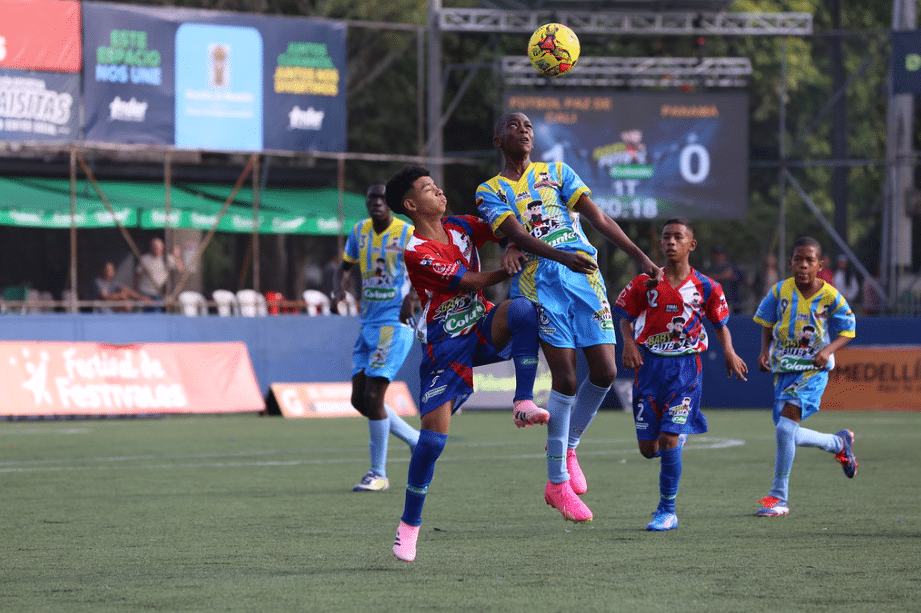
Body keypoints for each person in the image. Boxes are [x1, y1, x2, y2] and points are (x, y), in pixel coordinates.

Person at [476, 111, 663, 523]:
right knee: (565, 378)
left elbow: (599, 218)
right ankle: (556, 482)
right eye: (513, 125)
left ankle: (570, 444)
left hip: (584, 277)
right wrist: (561, 257)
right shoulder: (489, 190)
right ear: (497, 139)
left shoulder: (558, 172)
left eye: (527, 126)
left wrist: (641, 257)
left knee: (606, 370)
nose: (523, 130)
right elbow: (518, 236)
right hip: (539, 282)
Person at [385, 165, 550, 563]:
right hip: (446, 346)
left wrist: (513, 244)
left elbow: (504, 227)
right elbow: (470, 282)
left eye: (437, 185)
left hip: (480, 325)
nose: (439, 191)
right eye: (428, 189)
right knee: (432, 442)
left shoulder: (460, 225)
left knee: (524, 310)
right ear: (411, 205)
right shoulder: (415, 250)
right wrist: (505, 266)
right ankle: (408, 527)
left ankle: (523, 401)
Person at [614, 218, 748, 531]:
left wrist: (729, 351)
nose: (671, 242)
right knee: (649, 450)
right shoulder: (643, 283)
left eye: (678, 237)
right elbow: (625, 317)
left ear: (691, 245)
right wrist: (629, 344)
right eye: (666, 238)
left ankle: (667, 511)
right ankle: (678, 434)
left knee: (668, 437)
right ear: (660, 244)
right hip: (649, 368)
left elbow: (720, 325)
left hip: (686, 368)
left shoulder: (707, 286)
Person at [753, 237, 858, 518]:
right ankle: (839, 444)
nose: (803, 265)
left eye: (810, 260)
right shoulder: (780, 291)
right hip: (784, 369)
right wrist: (764, 351)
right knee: (787, 433)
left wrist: (828, 350)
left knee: (785, 430)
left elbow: (849, 329)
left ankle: (778, 498)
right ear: (790, 263)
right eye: (798, 259)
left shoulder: (830, 295)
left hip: (813, 370)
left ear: (819, 265)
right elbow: (766, 320)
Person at [332, 181, 421, 492]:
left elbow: (424, 269)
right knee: (360, 400)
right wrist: (338, 288)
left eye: (382, 198)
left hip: (395, 325)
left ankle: (378, 474)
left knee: (374, 397)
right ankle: (415, 439)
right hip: (368, 324)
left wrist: (412, 296)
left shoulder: (407, 232)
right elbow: (343, 266)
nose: (376, 203)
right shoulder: (360, 232)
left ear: (391, 202)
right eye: (371, 198)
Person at [135, 237, 184, 306]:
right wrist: (138, 293)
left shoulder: (168, 259)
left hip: (158, 293)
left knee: (157, 314)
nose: (157, 249)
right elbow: (138, 275)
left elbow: (180, 270)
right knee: (143, 315)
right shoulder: (145, 258)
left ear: (163, 248)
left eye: (159, 247)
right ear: (151, 247)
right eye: (155, 247)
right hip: (144, 292)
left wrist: (177, 256)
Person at [705, 245, 746, 313]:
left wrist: (716, 277)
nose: (719, 256)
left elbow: (742, 279)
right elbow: (707, 279)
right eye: (717, 254)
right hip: (715, 299)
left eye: (721, 254)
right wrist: (724, 276)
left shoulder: (732, 267)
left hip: (731, 299)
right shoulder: (710, 268)